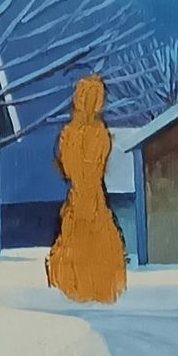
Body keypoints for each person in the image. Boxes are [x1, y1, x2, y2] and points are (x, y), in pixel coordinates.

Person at [48, 74, 128, 303]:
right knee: (91, 240)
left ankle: (85, 288)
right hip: (89, 198)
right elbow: (90, 166)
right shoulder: (96, 133)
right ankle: (91, 289)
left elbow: (68, 167)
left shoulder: (72, 133)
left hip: (85, 197)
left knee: (84, 240)